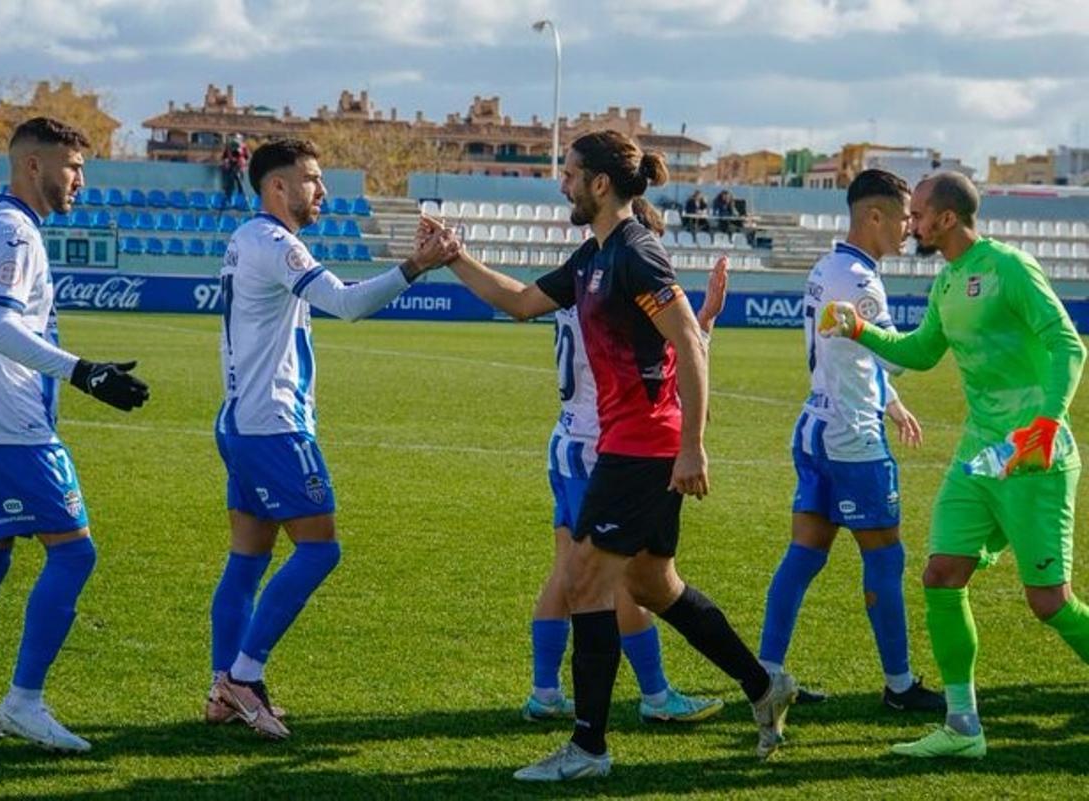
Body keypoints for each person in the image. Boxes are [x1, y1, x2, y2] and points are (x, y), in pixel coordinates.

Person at [426, 129, 798, 781]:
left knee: (584, 581)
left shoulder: (636, 252)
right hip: (630, 446)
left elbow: (687, 339)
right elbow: (519, 303)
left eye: (570, 173)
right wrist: (454, 256)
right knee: (653, 584)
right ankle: (763, 684)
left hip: (643, 448)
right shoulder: (592, 257)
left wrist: (692, 446)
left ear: (600, 183)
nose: (563, 183)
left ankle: (589, 747)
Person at [820, 172, 1089, 759]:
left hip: (1033, 456)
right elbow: (919, 352)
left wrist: (1046, 423)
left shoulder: (1009, 268)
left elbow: (1071, 345)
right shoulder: (946, 283)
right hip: (981, 454)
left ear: (945, 218)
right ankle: (963, 728)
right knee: (941, 573)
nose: (908, 222)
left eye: (916, 213)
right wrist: (860, 328)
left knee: (1049, 602)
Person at [205, 138, 458, 739]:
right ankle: (244, 676)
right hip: (273, 425)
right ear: (278, 188)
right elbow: (345, 304)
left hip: (240, 419)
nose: (321, 191)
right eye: (312, 180)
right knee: (321, 548)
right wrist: (417, 265)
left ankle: (223, 688)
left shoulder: (244, 239)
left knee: (248, 557)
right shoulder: (274, 242)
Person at [0, 117, 150, 752]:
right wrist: (83, 372)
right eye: (72, 166)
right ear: (33, 165)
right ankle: (25, 700)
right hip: (11, 423)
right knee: (73, 552)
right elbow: (0, 326)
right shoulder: (14, 233)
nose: (80, 180)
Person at [758, 169, 944, 712]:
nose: (910, 228)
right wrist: (943, 321)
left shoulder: (827, 266)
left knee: (804, 555)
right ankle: (901, 685)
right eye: (904, 217)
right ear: (874, 217)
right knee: (886, 558)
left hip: (815, 424)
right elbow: (894, 356)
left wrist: (891, 401)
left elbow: (851, 356)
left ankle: (766, 677)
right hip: (852, 438)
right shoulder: (861, 281)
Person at [524, 250, 730, 726]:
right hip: (605, 449)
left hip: (567, 443)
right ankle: (656, 695)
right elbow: (671, 375)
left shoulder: (579, 281)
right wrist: (703, 325)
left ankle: (545, 691)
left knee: (568, 571)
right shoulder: (620, 291)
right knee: (623, 579)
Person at [221, 134, 249, 207]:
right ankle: (228, 200)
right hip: (230, 168)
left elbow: (246, 157)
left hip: (239, 167)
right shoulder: (229, 147)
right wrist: (227, 161)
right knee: (230, 185)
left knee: (241, 185)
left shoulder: (243, 147)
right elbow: (224, 157)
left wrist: (242, 161)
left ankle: (242, 201)